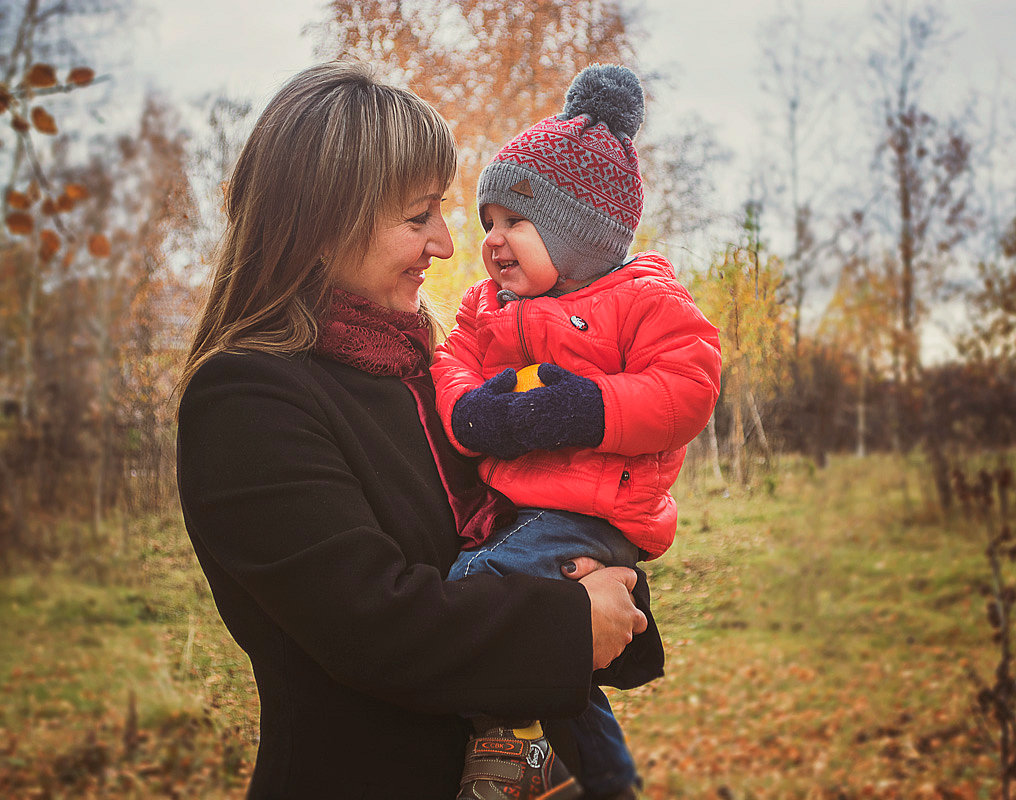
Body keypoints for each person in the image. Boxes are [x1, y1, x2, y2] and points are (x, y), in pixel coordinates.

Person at [175, 61, 658, 800]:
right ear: (324, 221)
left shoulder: (429, 375)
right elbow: (373, 625)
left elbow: (536, 524)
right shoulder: (246, 398)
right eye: (417, 216)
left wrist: (612, 594)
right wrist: (568, 625)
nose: (442, 242)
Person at [432, 65, 722, 800]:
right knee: (563, 659)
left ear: (583, 235)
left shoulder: (642, 298)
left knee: (474, 593)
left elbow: (688, 389)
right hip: (527, 512)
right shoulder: (488, 306)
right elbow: (453, 357)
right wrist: (470, 411)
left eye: (517, 222)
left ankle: (515, 743)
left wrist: (587, 407)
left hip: (594, 515)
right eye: (488, 222)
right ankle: (604, 779)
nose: (494, 241)